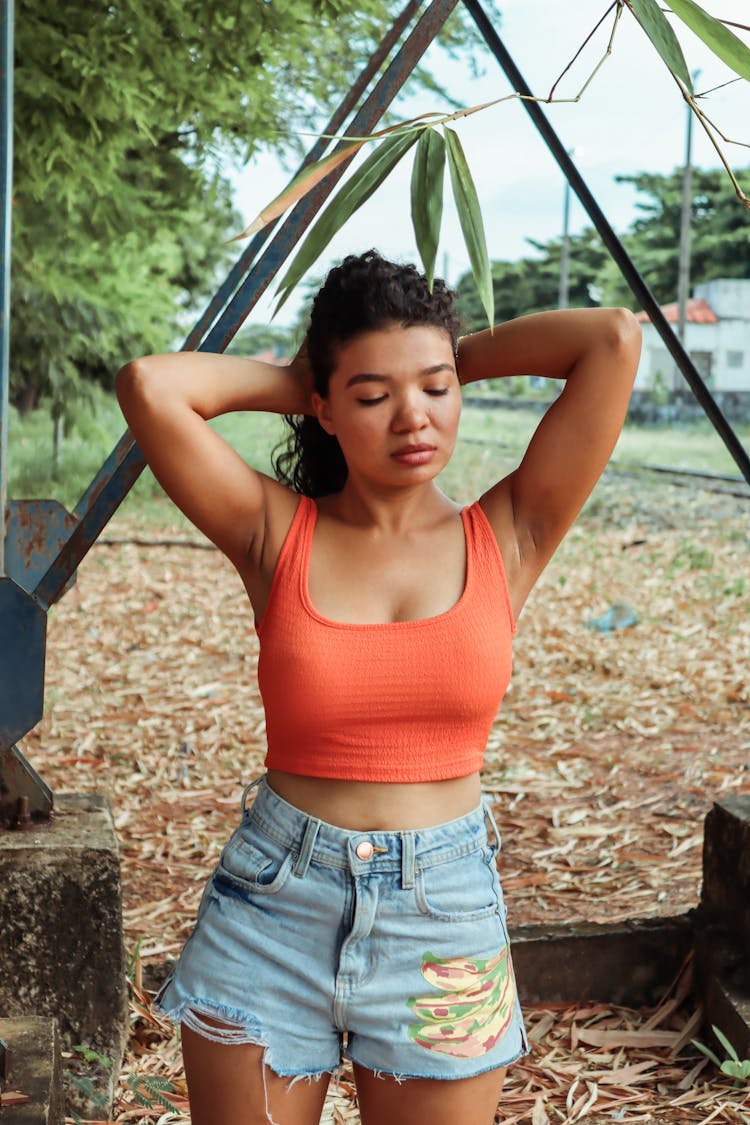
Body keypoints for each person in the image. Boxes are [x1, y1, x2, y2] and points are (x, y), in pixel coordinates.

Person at [116, 249, 641, 1125]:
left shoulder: (510, 532)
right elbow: (151, 385)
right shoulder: (271, 531)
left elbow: (612, 340)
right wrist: (306, 376)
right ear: (323, 407)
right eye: (371, 396)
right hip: (273, 906)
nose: (413, 418)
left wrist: (440, 353)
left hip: (444, 915)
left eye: (436, 390)